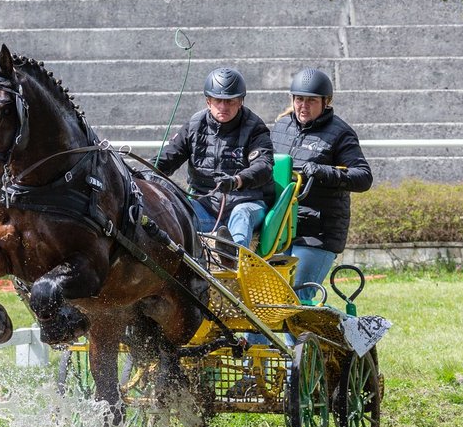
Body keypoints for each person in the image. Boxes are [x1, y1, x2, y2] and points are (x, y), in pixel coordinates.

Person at [271, 68, 373, 301]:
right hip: (281, 229)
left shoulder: (341, 133)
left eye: (311, 100)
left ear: (325, 102)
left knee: (298, 297)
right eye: (299, 99)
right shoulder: (280, 127)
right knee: (271, 297)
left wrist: (324, 172)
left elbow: (363, 177)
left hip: (318, 233)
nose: (303, 106)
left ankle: (314, 337)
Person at [155, 66, 274, 251]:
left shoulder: (255, 128)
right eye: (218, 100)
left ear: (240, 102)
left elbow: (264, 167)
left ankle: (232, 259)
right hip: (205, 207)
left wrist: (237, 181)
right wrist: (148, 171)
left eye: (230, 101)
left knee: (240, 214)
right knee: (177, 210)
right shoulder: (194, 125)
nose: (223, 107)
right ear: (208, 101)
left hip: (247, 202)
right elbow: (167, 159)